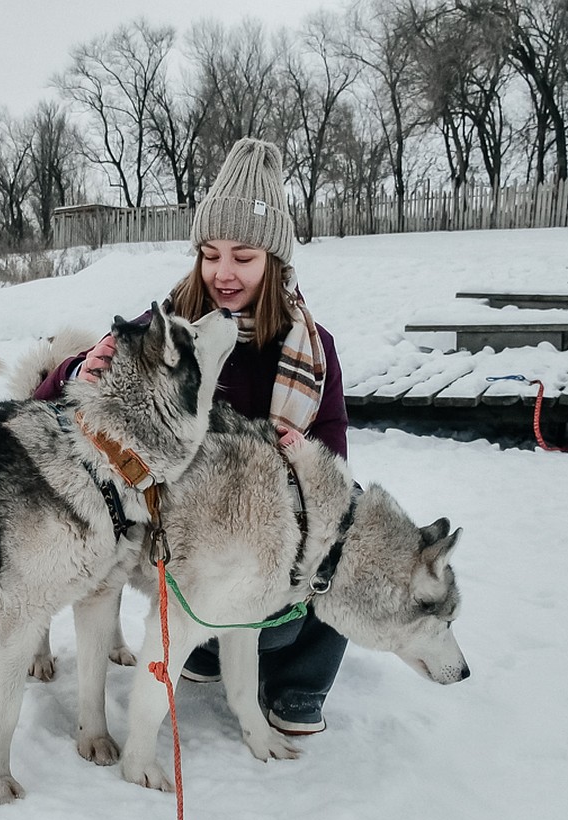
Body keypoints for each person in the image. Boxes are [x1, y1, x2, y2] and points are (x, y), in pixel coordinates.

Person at [33, 137, 349, 736]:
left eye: (244, 256)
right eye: (210, 254)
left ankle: (298, 683)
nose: (223, 273)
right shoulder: (170, 332)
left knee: (344, 530)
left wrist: (301, 458)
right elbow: (51, 411)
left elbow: (333, 468)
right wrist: (78, 368)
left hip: (255, 526)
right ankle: (202, 647)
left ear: (275, 263)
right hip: (172, 531)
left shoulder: (313, 349)